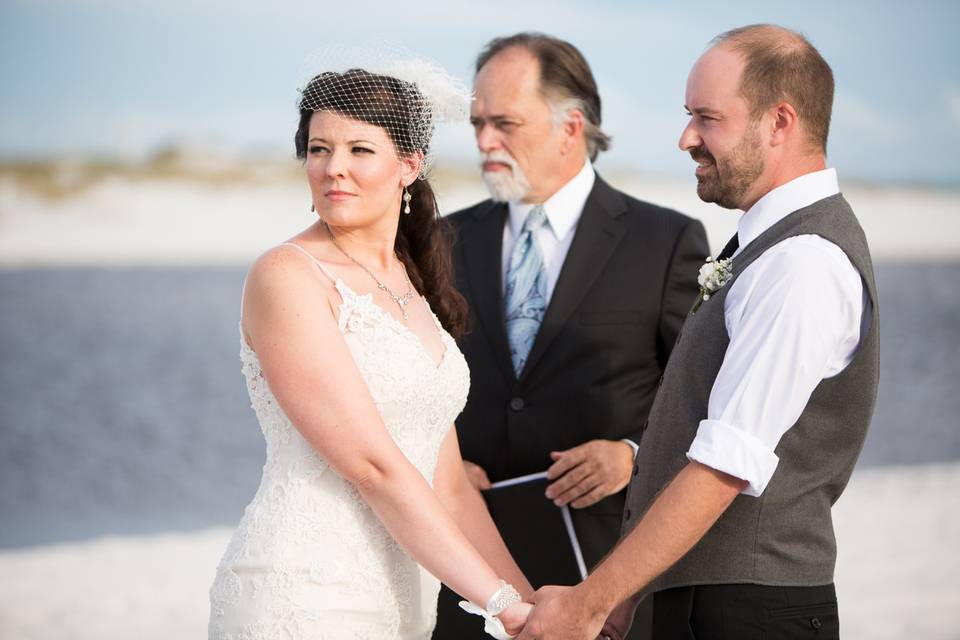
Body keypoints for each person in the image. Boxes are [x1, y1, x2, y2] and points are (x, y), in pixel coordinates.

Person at [517, 24, 879, 640]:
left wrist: (590, 601)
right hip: (708, 605)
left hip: (751, 613)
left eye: (707, 118)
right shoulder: (767, 247)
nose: (687, 138)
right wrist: (625, 598)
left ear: (779, 123)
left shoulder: (804, 262)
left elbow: (725, 464)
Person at [207, 59, 535, 640]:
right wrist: (503, 606)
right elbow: (372, 466)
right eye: (318, 149)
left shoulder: (410, 284)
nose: (334, 169)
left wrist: (532, 610)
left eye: (360, 150)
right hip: (304, 590)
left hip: (405, 603)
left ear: (409, 165)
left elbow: (450, 484)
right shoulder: (288, 275)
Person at [432, 33, 708, 640]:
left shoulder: (664, 242)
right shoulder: (441, 240)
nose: (483, 142)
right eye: (478, 123)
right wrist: (439, 457)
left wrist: (631, 455)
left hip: (603, 568)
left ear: (570, 126)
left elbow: (698, 397)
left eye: (504, 122)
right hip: (469, 565)